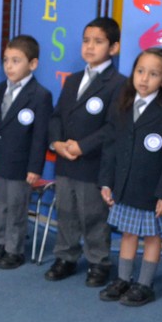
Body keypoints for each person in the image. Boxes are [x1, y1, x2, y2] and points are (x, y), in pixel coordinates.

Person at [45, 17, 125, 286]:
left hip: (92, 162)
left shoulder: (118, 84)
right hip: (66, 159)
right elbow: (57, 116)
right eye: (86, 40)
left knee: (93, 214)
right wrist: (56, 143)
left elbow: (113, 128)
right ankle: (65, 256)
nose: (90, 47)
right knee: (66, 211)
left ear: (113, 48)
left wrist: (83, 146)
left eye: (98, 42)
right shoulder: (73, 80)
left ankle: (98, 261)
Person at [97, 47, 162, 306]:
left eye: (153, 74)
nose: (144, 79)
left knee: (151, 236)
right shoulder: (122, 107)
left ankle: (144, 283)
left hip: (150, 191)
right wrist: (106, 181)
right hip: (124, 186)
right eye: (140, 71)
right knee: (127, 233)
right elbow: (110, 148)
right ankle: (123, 279)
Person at [0, 34, 52, 270]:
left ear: (32, 64)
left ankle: (14, 249)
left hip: (22, 164)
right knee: (0, 205)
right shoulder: (0, 88)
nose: (9, 66)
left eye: (16, 60)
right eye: (6, 60)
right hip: (0, 159)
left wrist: (35, 167)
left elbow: (40, 136)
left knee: (16, 207)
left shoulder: (40, 95)